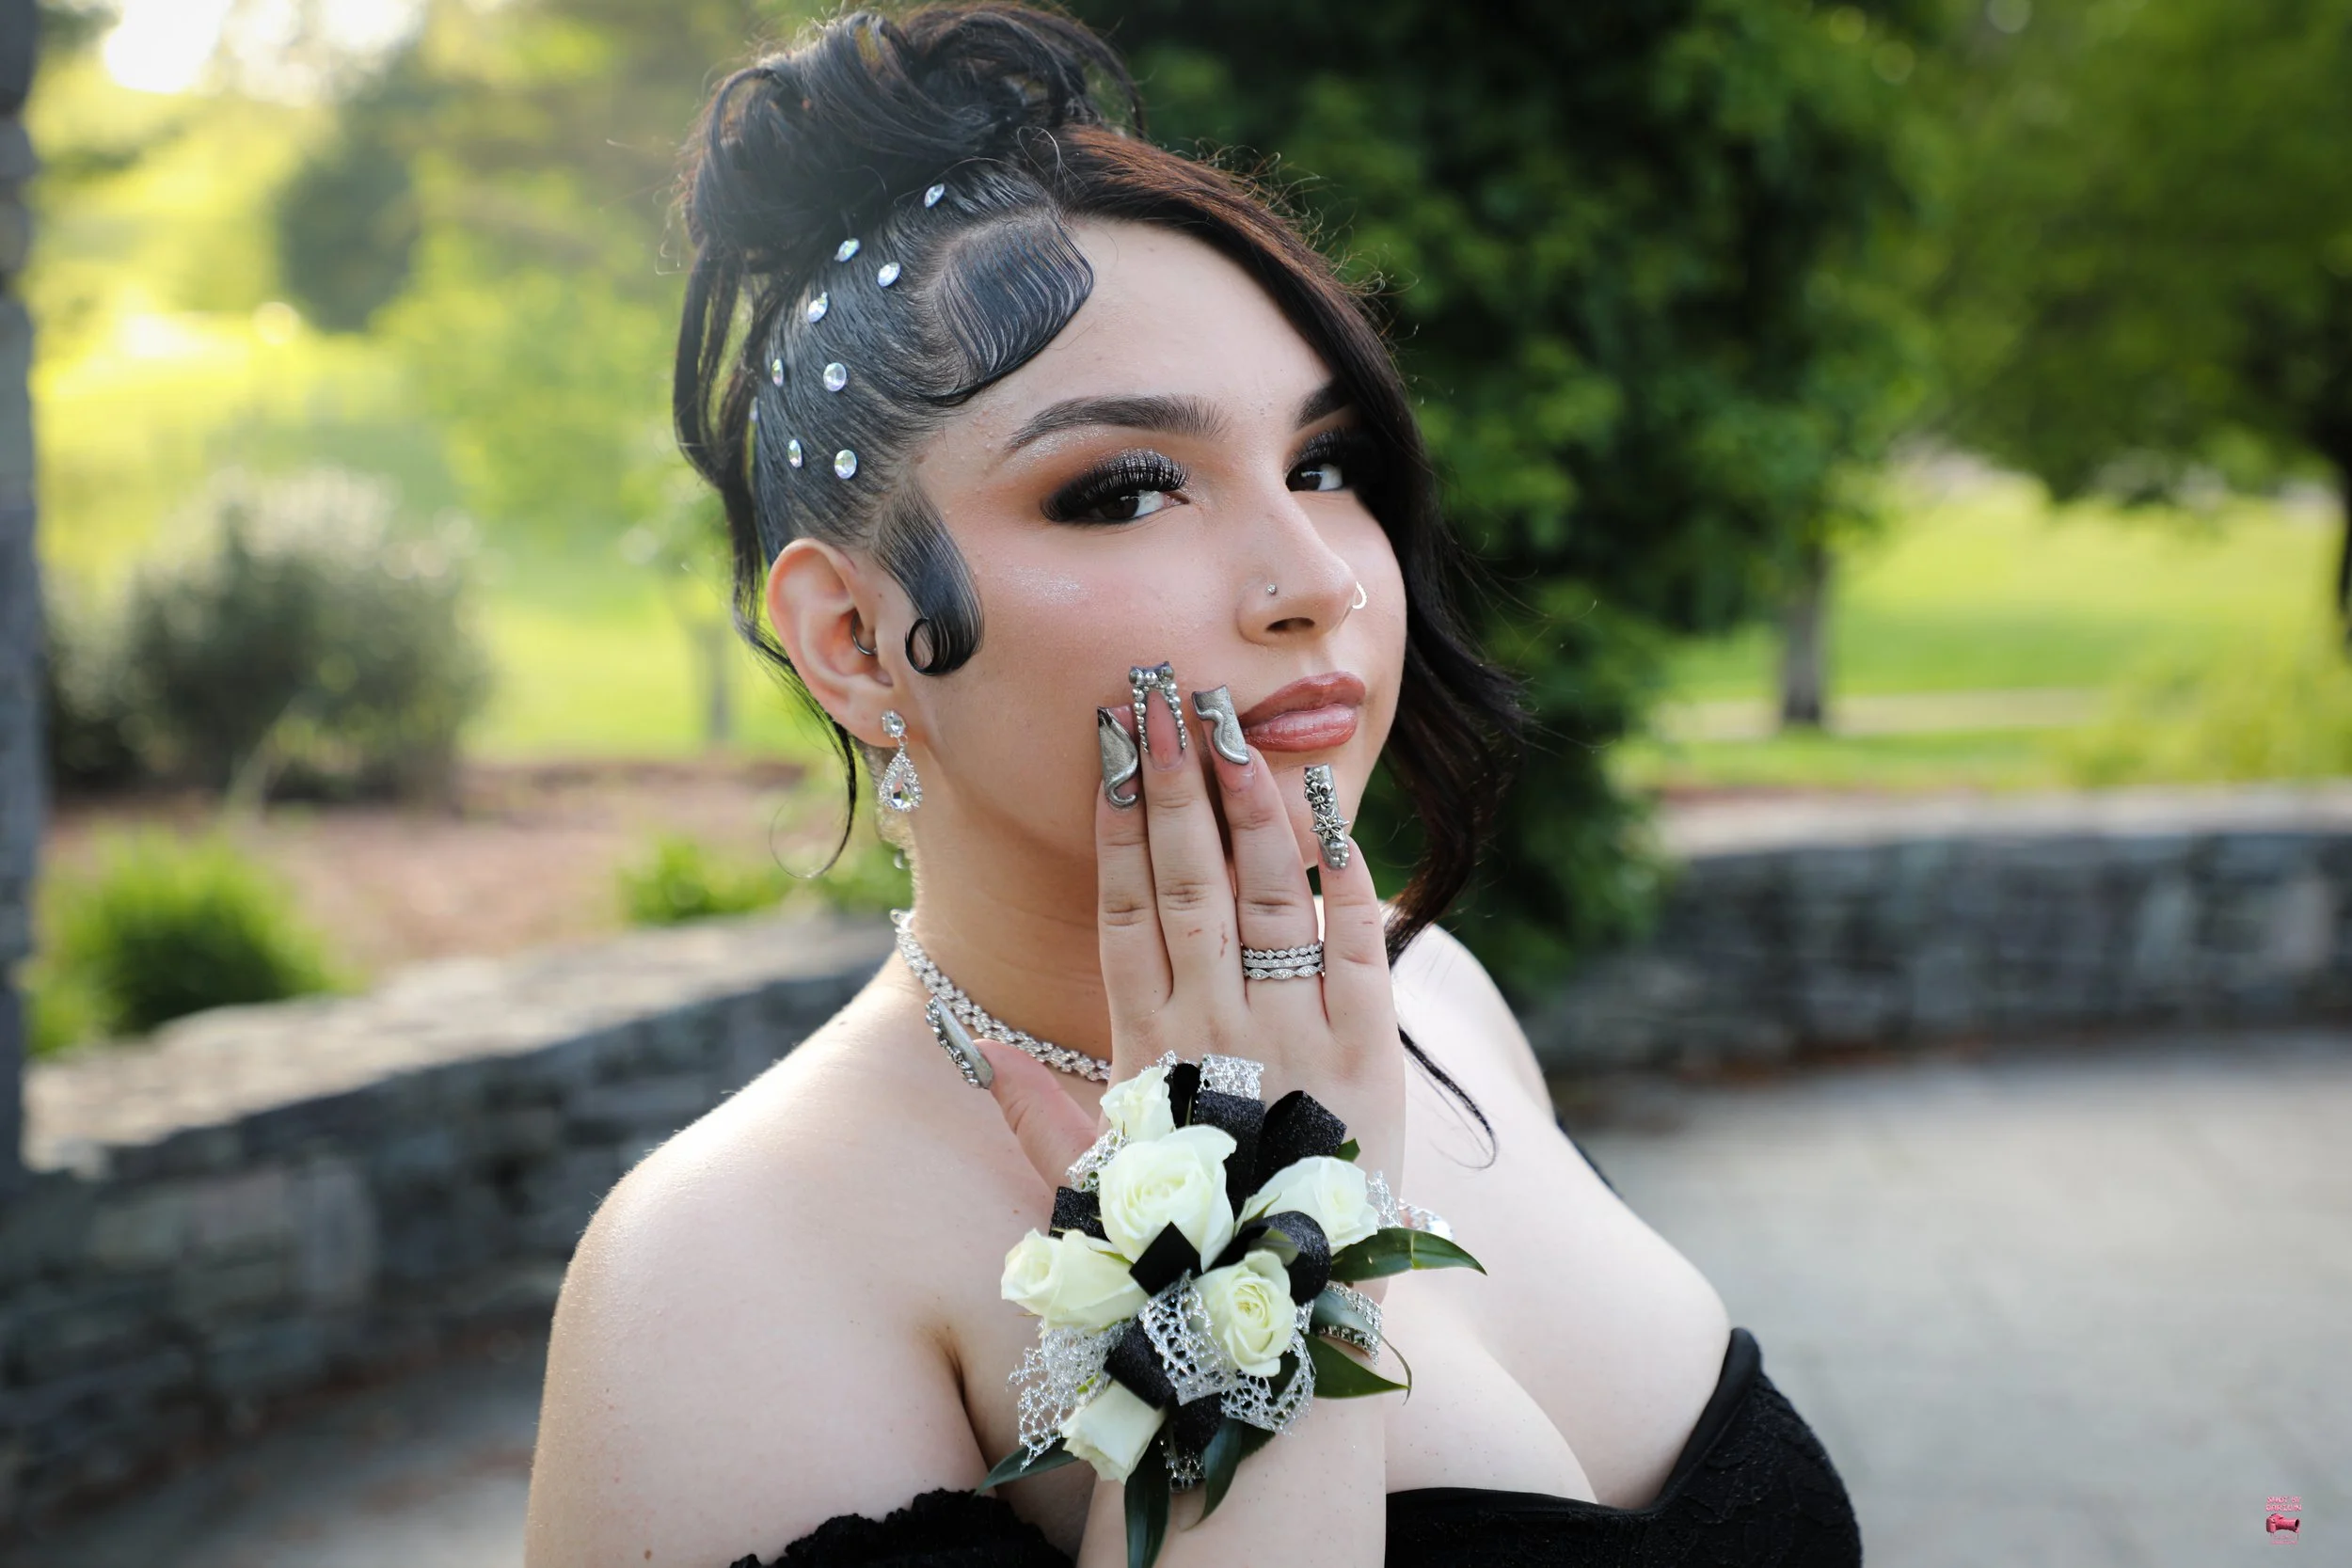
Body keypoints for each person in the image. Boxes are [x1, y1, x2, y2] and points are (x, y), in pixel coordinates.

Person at [523, 8, 1862, 1565]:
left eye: (1329, 462)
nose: (1314, 580)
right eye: (1126, 488)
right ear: (854, 639)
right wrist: (1264, 1259)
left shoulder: (1437, 1002)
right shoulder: (730, 1270)